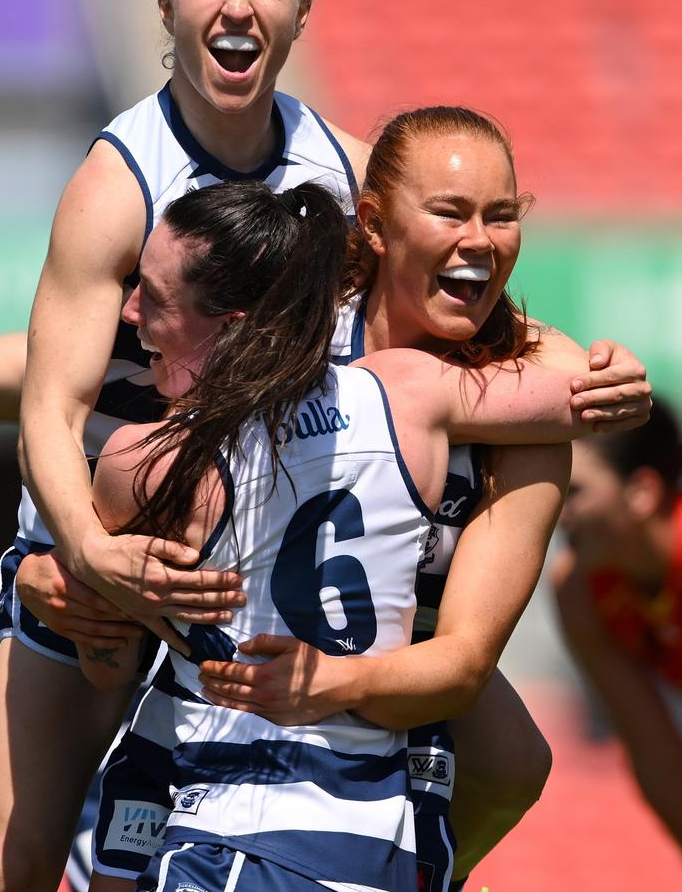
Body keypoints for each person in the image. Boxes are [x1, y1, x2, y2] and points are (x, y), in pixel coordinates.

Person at [0, 0, 649, 892]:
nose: (238, 4)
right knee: (7, 852)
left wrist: (583, 362)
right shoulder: (120, 182)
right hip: (116, 524)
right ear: (164, 4)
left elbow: (476, 288)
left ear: (302, 9)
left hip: (271, 532)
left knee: (513, 759)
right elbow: (44, 403)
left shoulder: (344, 171)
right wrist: (91, 552)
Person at [81, 109, 649, 892]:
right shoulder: (296, 326)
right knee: (18, 833)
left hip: (389, 688)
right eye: (451, 211)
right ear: (375, 226)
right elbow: (98, 389)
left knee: (514, 760)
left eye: (503, 216)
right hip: (217, 691)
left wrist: (331, 683)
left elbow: (463, 660)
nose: (480, 239)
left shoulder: (523, 408)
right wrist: (81, 555)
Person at [551, 401, 682, 870]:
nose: (557, 512)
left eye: (575, 492)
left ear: (642, 492)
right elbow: (656, 756)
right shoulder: (580, 592)